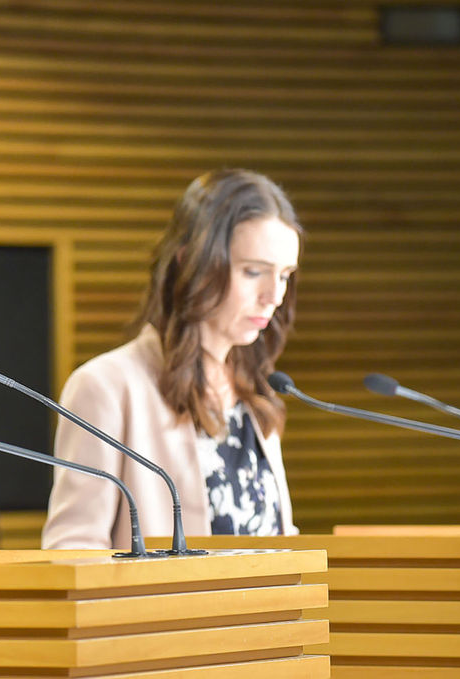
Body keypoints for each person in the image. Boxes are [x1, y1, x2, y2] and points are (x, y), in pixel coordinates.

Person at [43, 169, 302, 550]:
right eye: (253, 272)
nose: (273, 295)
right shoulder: (107, 386)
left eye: (284, 275)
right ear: (191, 262)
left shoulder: (258, 390)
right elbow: (73, 549)